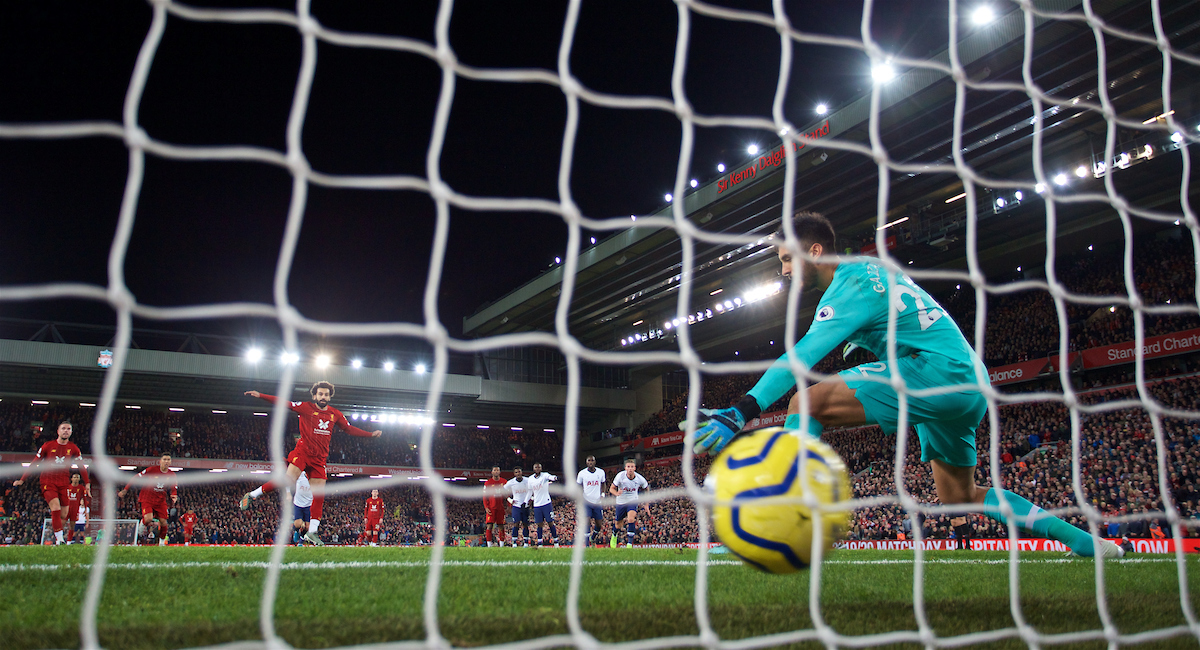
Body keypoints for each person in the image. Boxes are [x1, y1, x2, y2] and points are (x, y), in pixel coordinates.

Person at [688, 212, 1124, 559]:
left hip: (936, 372)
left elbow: (800, 357)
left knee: (808, 399)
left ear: (813, 250)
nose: (783, 270)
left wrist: (742, 410)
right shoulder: (870, 269)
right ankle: (1087, 543)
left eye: (786, 258)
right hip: (969, 382)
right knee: (961, 498)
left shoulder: (848, 284)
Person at [239, 381, 382, 546]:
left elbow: (349, 429)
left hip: (320, 459)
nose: (323, 397)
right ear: (315, 395)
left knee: (319, 495)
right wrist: (261, 395)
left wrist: (370, 434)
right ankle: (252, 495)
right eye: (320, 394)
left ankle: (312, 532)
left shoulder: (335, 414)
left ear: (330, 396)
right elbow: (285, 403)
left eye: (326, 394)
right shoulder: (306, 407)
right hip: (303, 453)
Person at [14, 420, 90, 546]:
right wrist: (22, 479)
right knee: (55, 507)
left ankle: (57, 534)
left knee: (64, 513)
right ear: (58, 431)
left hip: (64, 482)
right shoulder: (47, 446)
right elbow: (34, 462)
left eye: (68, 429)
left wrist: (87, 483)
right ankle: (60, 540)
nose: (66, 431)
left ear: (71, 432)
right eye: (63, 428)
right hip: (48, 480)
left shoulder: (73, 448)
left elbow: (82, 466)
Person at [119, 452, 178, 546]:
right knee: (148, 519)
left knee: (164, 522)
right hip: (147, 499)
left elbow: (173, 487)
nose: (166, 461)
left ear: (170, 462)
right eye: (164, 459)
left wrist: (174, 495)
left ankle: (162, 543)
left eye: (168, 460)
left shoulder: (172, 474)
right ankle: (143, 522)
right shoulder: (152, 470)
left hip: (161, 501)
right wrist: (125, 489)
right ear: (160, 461)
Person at [609, 459, 650, 548]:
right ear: (625, 468)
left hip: (632, 500)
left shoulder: (640, 479)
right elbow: (611, 488)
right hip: (621, 502)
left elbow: (647, 488)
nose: (630, 469)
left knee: (631, 519)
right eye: (628, 467)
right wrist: (616, 493)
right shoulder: (620, 476)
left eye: (632, 467)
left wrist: (646, 504)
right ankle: (614, 535)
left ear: (635, 468)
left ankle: (629, 544)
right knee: (618, 525)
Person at [576, 455, 606, 546]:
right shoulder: (582, 473)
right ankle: (587, 545)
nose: (590, 462)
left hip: (597, 502)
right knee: (587, 521)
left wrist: (603, 494)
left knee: (599, 525)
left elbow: (603, 483)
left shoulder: (601, 472)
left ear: (595, 462)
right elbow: (578, 485)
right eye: (589, 461)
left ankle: (592, 538)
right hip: (586, 501)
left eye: (592, 460)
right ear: (586, 462)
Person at [526, 463, 559, 547]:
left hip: (546, 503)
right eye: (536, 467)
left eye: (539, 467)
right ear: (533, 469)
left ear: (541, 468)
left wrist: (554, 477)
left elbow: (550, 477)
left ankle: (556, 541)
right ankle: (540, 543)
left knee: (550, 522)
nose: (537, 468)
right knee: (539, 524)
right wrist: (525, 501)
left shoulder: (544, 475)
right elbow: (530, 491)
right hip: (537, 505)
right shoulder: (530, 479)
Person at [504, 466, 532, 547]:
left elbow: (533, 489)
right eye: (516, 472)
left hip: (525, 506)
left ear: (521, 472)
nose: (518, 473)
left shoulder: (528, 480)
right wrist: (509, 499)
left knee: (525, 524)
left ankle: (526, 542)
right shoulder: (511, 482)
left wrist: (531, 499)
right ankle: (514, 542)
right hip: (516, 506)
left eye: (519, 472)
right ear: (514, 474)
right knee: (516, 524)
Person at [482, 466, 508, 547]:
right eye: (495, 470)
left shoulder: (504, 482)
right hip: (491, 508)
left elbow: (507, 494)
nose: (496, 471)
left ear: (500, 472)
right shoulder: (487, 483)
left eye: (498, 470)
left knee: (501, 526)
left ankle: (502, 545)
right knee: (489, 526)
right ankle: (489, 546)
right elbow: (484, 496)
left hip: (500, 508)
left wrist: (508, 506)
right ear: (492, 472)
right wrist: (486, 507)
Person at [291, 471, 313, 545]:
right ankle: (296, 531)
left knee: (308, 527)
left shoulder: (315, 478)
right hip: (298, 504)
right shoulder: (300, 474)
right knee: (298, 524)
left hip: (309, 504)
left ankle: (301, 541)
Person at [64, 473, 86, 544]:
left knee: (72, 525)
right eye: (74, 477)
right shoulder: (67, 487)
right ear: (71, 479)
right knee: (62, 524)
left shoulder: (81, 488)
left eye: (77, 477)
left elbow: (84, 498)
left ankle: (69, 542)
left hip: (75, 509)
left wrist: (85, 507)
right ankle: (58, 540)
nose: (76, 478)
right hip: (66, 508)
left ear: (79, 479)